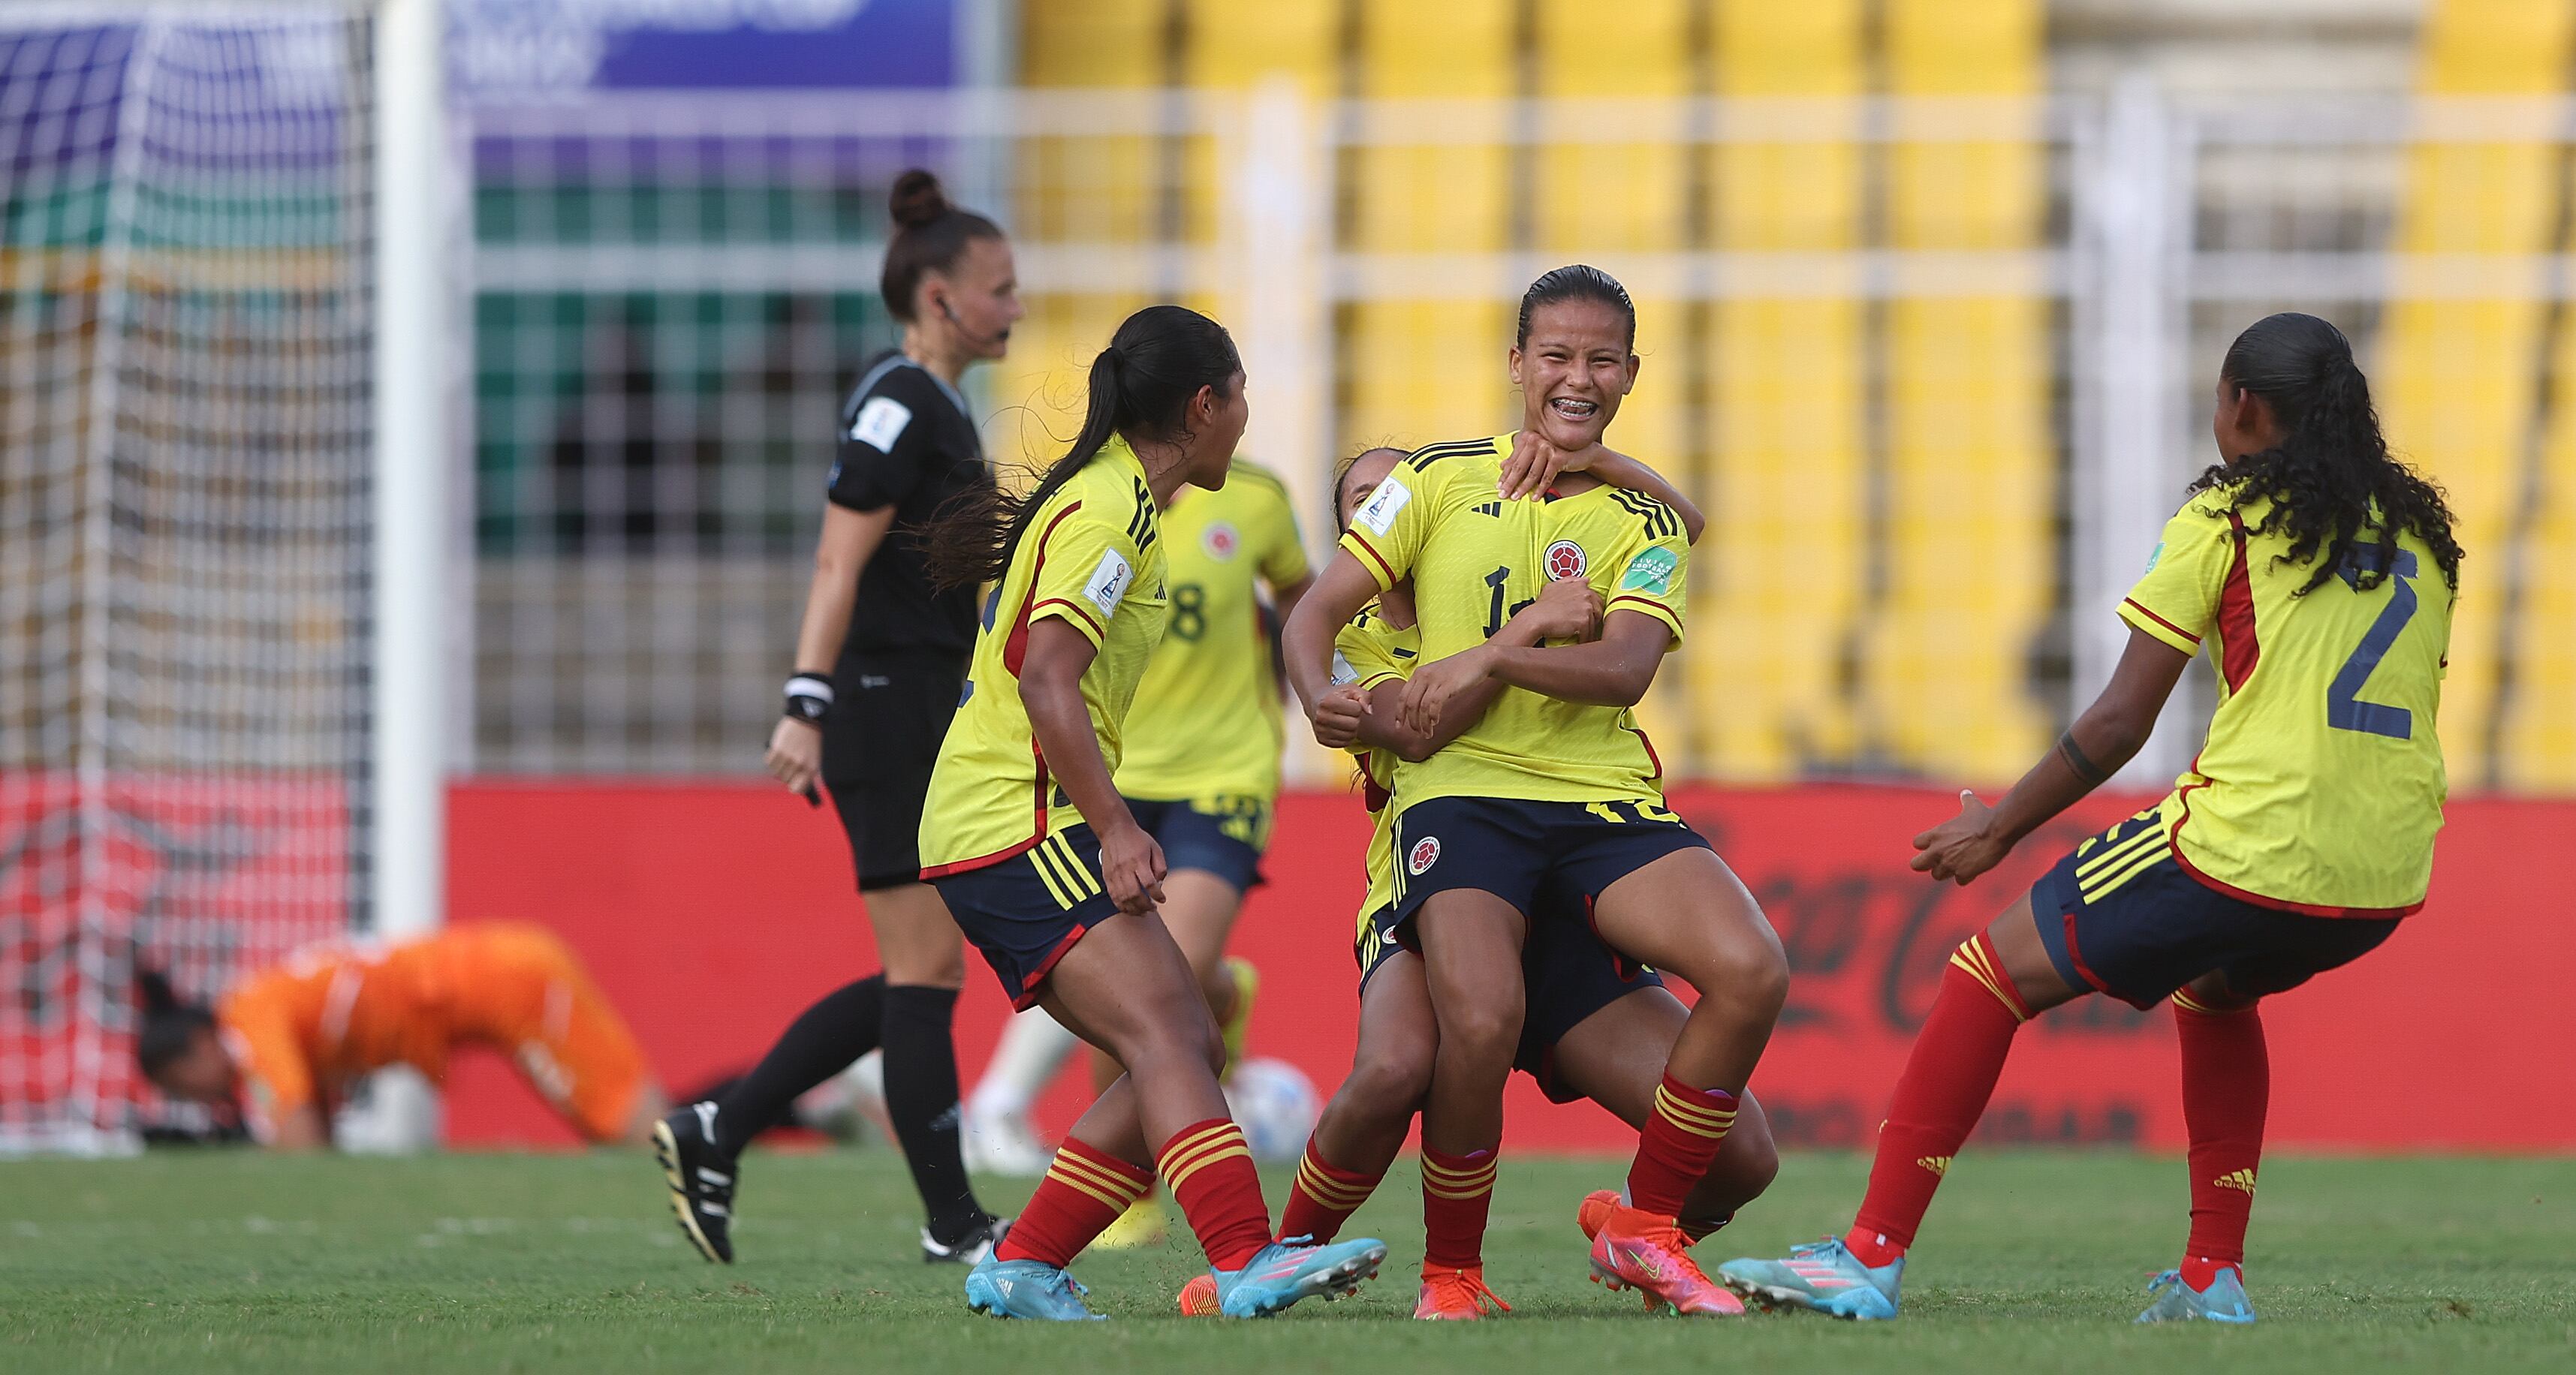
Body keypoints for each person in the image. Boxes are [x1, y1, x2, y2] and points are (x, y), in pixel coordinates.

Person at [1718, 312, 2461, 1325]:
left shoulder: (2230, 521)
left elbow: (2118, 721)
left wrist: (2000, 827)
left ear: (2239, 405)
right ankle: (2211, 1280)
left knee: (1986, 974)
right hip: (2385, 870)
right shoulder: (2418, 535)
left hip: (2249, 842)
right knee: (2213, 989)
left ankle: (1865, 1257)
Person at [1282, 265, 1791, 1319]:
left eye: (1599, 359)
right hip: (1459, 815)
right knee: (1432, 1043)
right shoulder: (1429, 487)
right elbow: (1334, 646)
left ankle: (1643, 1230)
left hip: (1597, 810)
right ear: (1514, 365)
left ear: (1629, 375)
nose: (1575, 377)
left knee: (1746, 1069)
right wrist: (1324, 694)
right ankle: (1421, 1273)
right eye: (1554, 356)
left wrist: (1489, 658)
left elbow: (1620, 672)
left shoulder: (1639, 518)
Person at [1176, 442, 1781, 1319]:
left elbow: (1676, 530)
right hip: (1434, 889)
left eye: (1397, 492)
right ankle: (1273, 1261)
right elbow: (1416, 732)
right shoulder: (1356, 640)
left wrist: (1594, 459)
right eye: (1362, 500)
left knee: (1746, 1158)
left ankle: (1637, 1229)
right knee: (1392, 1067)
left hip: (1559, 892)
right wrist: (1522, 633)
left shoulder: (1503, 565)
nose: (1384, 508)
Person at [914, 303, 1387, 1322]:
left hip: (1004, 820)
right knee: (1173, 1029)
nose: (1248, 416)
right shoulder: (1110, 510)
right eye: (1243, 396)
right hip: (1015, 821)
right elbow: (1048, 681)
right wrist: (1118, 828)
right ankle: (1242, 1258)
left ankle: (1024, 1264)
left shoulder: (1116, 501)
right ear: (1204, 405)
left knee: (1175, 1038)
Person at [654, 169, 1017, 1266]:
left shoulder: (936, 403)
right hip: (875, 705)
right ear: (939, 298)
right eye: (998, 288)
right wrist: (804, 701)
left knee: (924, 970)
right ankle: (946, 1220)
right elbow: (836, 553)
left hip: (913, 703)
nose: (1014, 305)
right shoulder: (901, 401)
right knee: (924, 970)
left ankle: (722, 1128)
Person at [963, 453, 1312, 1215]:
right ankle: (1138, 1190)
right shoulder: (1082, 506)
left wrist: (1304, 685)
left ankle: (1133, 1190)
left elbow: (1299, 594)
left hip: (1223, 771)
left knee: (1164, 973)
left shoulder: (1256, 497)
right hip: (1106, 773)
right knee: (1133, 980)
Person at [138, 924, 666, 1149]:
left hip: (512, 983)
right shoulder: (257, 1005)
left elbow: (299, 1135)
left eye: (183, 1087)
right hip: (507, 971)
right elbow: (315, 1129)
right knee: (609, 1122)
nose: (199, 1100)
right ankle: (705, 1153)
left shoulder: (248, 1020)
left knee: (620, 1117)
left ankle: (704, 1166)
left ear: (199, 1049)